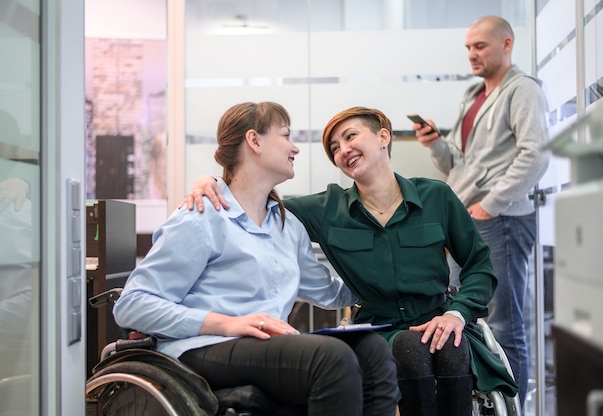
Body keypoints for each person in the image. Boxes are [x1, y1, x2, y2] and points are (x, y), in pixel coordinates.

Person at [185, 106, 518, 415]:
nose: (342, 150)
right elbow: (257, 199)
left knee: (451, 346)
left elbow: (479, 266)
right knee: (410, 348)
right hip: (382, 331)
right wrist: (212, 181)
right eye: (334, 148)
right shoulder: (324, 209)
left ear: (384, 137)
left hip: (442, 320)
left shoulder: (437, 197)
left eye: (350, 136)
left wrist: (456, 314)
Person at [113, 102, 399, 416]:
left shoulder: (287, 226)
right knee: (330, 358)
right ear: (254, 141)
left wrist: (396, 281)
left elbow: (330, 292)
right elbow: (132, 304)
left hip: (265, 347)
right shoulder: (202, 216)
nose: (295, 148)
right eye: (286, 136)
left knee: (372, 350)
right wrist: (229, 324)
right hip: (203, 347)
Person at [412, 15, 551, 404]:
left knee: (505, 323)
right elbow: (461, 164)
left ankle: (515, 407)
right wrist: (436, 145)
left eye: (481, 46)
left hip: (501, 220)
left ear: (507, 45)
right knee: (466, 316)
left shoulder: (522, 91)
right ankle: (487, 407)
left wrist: (489, 205)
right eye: (469, 47)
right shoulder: (474, 95)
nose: (472, 54)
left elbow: (536, 155)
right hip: (468, 219)